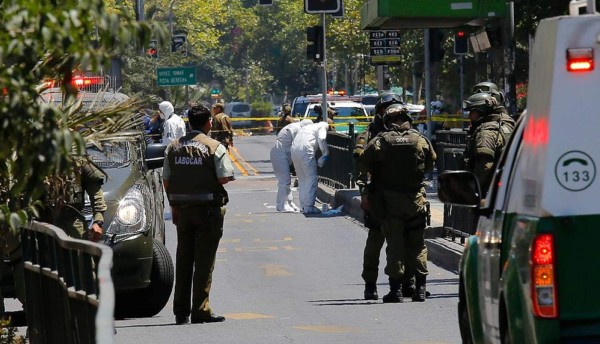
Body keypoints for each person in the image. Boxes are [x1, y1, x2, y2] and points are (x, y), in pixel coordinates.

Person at [163, 103, 235, 325]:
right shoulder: (214, 147)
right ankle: (200, 309)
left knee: (184, 259)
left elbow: (166, 179)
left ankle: (180, 311)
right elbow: (224, 178)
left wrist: (174, 205)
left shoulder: (173, 147)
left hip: (182, 212)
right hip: (208, 212)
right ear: (208, 123)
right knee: (204, 262)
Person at [361, 104, 436, 303]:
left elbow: (364, 161)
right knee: (418, 245)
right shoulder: (420, 139)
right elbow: (430, 163)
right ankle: (420, 289)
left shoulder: (381, 140)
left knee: (395, 245)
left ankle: (396, 291)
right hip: (415, 200)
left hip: (390, 201)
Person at [353, 92, 403, 300]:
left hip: (401, 195)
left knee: (402, 242)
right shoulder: (369, 135)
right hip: (377, 196)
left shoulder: (406, 133)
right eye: (388, 109)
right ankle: (370, 285)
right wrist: (364, 194)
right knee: (375, 241)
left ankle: (403, 285)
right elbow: (362, 168)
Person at [462, 91, 515, 195]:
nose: (469, 116)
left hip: (490, 195)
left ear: (481, 111)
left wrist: (475, 192)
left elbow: (485, 167)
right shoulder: (507, 124)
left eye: (472, 112)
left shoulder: (486, 134)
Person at [51, 155, 107, 242]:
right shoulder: (40, 156)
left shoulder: (79, 160)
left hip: (74, 219)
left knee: (81, 251)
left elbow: (96, 192)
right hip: (48, 223)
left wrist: (98, 221)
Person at [270, 119, 313, 212]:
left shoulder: (295, 127)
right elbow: (298, 144)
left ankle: (289, 202)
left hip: (283, 153)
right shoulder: (297, 129)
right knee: (284, 181)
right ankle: (281, 205)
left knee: (287, 181)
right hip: (280, 154)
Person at [290, 121, 330, 214]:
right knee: (311, 178)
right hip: (306, 150)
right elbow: (322, 138)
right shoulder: (323, 126)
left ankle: (303, 205)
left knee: (302, 178)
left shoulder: (307, 128)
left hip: (294, 150)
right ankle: (309, 206)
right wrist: (325, 153)